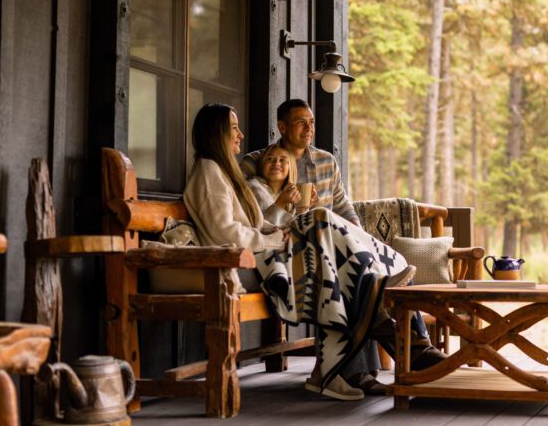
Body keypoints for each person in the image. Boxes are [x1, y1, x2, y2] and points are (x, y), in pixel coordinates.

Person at [184, 103, 419, 401]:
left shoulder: (224, 171)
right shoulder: (220, 170)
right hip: (253, 261)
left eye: (311, 122)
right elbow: (227, 233)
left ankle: (357, 350)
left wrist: (354, 235)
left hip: (278, 251)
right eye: (233, 128)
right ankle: (378, 333)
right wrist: (277, 235)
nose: (240, 135)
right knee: (325, 232)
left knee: (338, 256)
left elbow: (261, 223)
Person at [241, 99, 441, 394]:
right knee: (353, 272)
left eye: (311, 121)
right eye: (300, 122)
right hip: (292, 250)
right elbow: (249, 214)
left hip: (332, 250)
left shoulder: (325, 161)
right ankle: (410, 352)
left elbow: (344, 207)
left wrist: (360, 238)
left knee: (354, 269)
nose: (309, 127)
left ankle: (386, 360)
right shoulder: (257, 162)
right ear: (281, 126)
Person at [246, 144, 314, 227]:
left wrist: (302, 209)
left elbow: (297, 231)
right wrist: (281, 203)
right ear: (262, 165)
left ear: (291, 168)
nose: (276, 163)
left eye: (282, 160)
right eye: (270, 159)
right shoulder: (253, 188)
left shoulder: (288, 195)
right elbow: (261, 227)